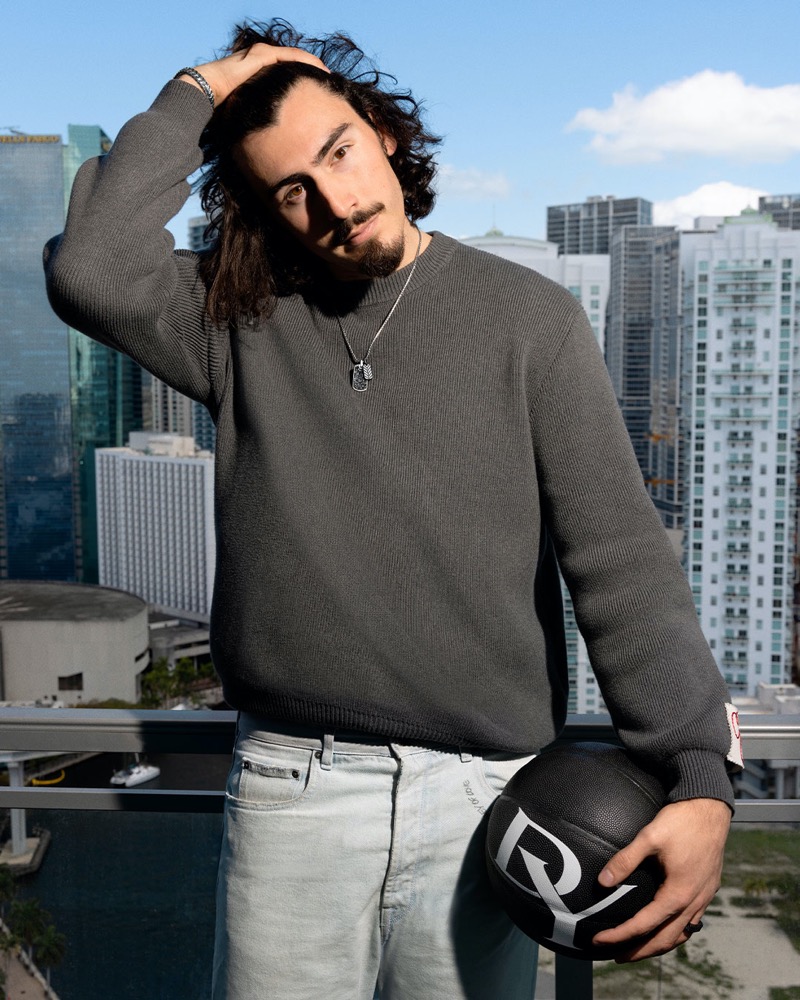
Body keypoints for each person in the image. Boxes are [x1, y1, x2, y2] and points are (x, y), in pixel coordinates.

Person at [44, 19, 742, 1000]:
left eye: (336, 150)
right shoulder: (234, 321)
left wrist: (699, 777)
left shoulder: (528, 319)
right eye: (292, 188)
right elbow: (92, 270)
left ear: (379, 130)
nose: (334, 202)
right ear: (264, 209)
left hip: (487, 800)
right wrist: (203, 86)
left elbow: (619, 559)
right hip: (294, 789)